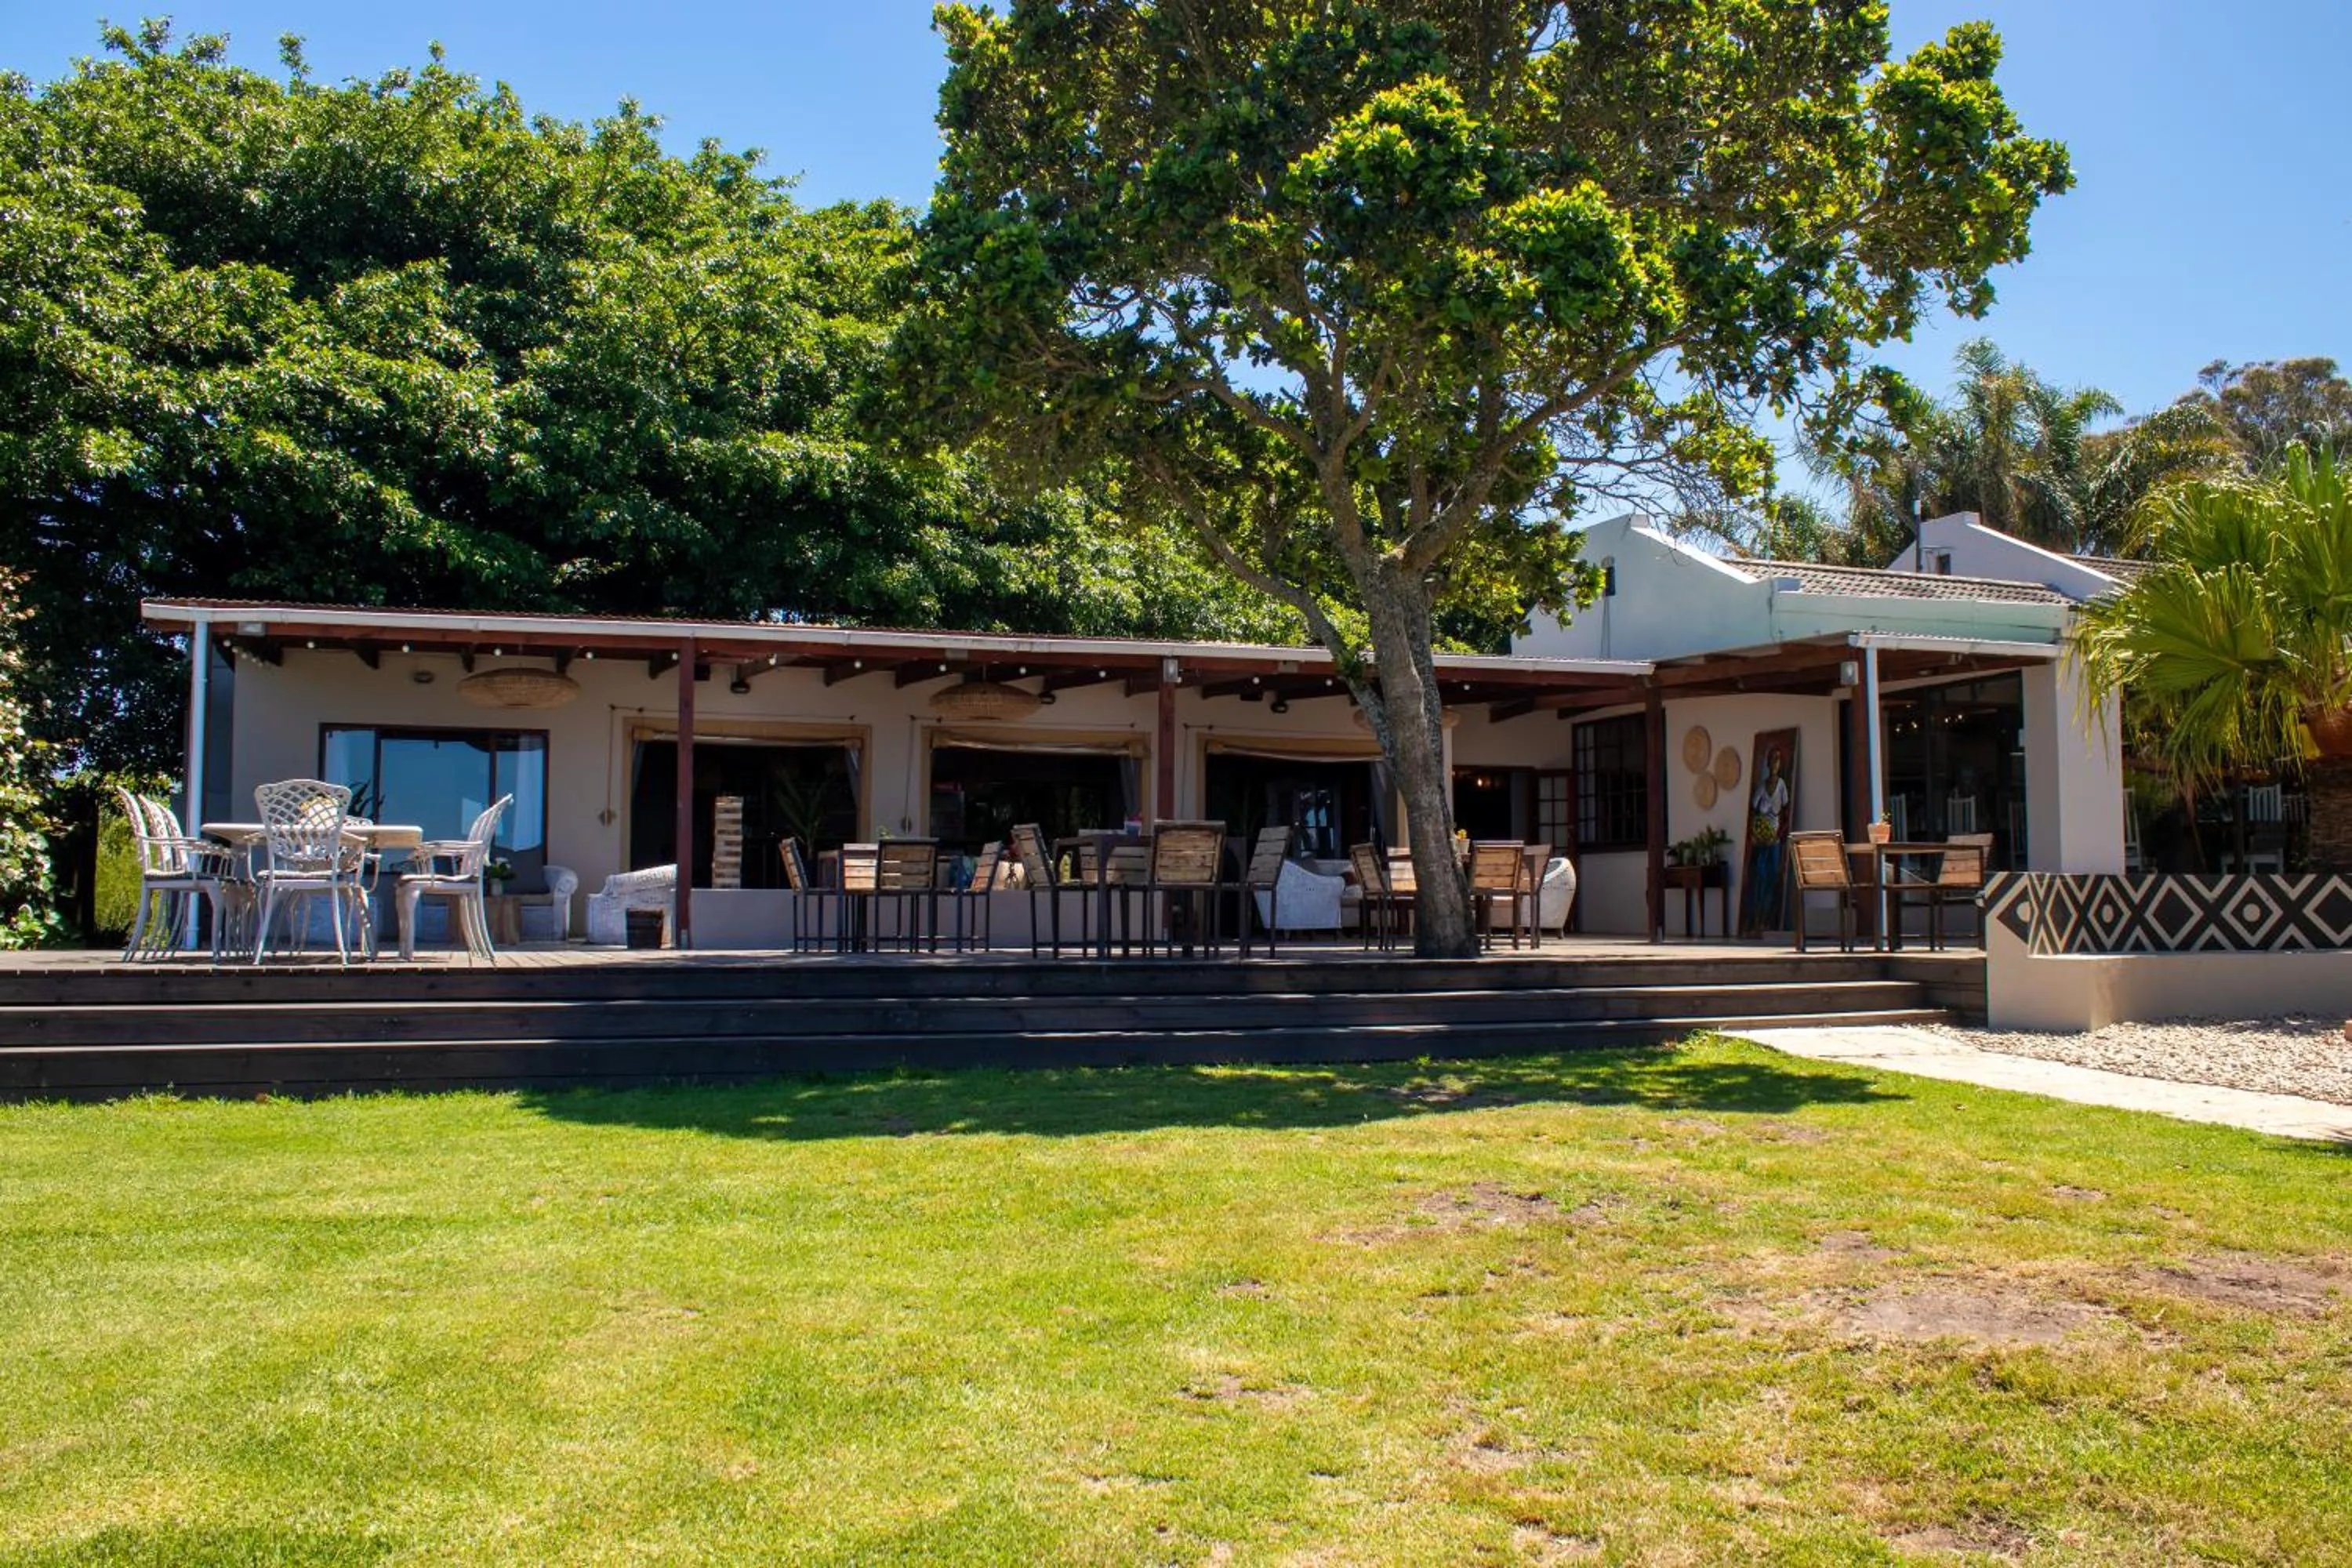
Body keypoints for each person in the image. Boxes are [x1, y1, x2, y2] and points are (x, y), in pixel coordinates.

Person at [1741, 744, 1792, 933]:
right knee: (1759, 878)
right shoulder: (1762, 787)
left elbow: (1786, 812)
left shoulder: (1782, 786)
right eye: (1772, 759)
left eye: (1778, 760)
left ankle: (1768, 920)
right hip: (1761, 840)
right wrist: (1754, 833)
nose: (1775, 764)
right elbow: (1753, 810)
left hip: (1775, 840)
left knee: (1772, 878)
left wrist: (1782, 832)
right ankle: (1755, 918)